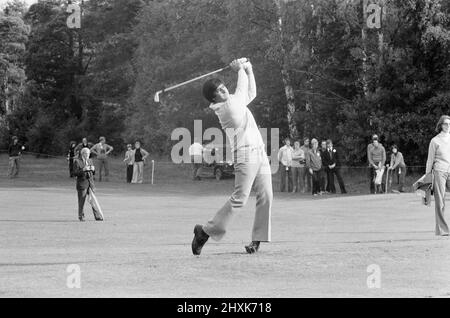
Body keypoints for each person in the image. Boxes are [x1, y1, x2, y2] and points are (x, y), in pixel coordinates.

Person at [192, 58, 273, 255]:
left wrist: (249, 69)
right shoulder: (227, 109)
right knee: (240, 199)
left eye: (223, 87)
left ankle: (257, 240)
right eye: (218, 92)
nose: (223, 91)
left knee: (267, 196)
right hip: (245, 155)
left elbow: (251, 92)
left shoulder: (234, 100)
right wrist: (239, 70)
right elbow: (242, 89)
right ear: (214, 100)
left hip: (259, 152)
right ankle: (204, 232)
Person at [425, 115, 450, 236]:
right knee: (440, 201)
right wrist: (427, 176)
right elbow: (430, 160)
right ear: (441, 125)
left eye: (449, 124)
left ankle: (441, 229)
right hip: (439, 171)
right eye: (445, 124)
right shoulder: (435, 141)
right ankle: (442, 229)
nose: (448, 126)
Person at [73, 148, 102, 222]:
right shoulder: (77, 161)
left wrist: (93, 169)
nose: (88, 155)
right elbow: (74, 173)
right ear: (83, 154)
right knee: (81, 201)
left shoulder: (90, 160)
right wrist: (83, 170)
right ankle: (81, 216)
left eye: (89, 154)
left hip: (91, 184)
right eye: (87, 154)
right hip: (82, 184)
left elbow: (92, 173)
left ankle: (98, 216)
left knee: (93, 201)